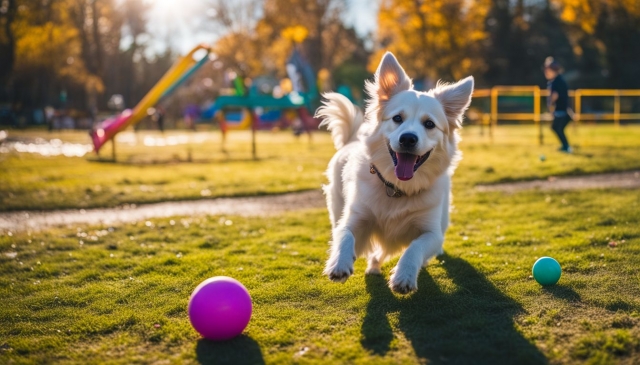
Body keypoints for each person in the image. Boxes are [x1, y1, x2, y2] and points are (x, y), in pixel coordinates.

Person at [543, 57, 572, 153]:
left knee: (556, 128)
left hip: (561, 111)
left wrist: (550, 107)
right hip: (564, 110)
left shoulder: (556, 82)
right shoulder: (560, 80)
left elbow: (555, 95)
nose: (546, 72)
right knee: (557, 128)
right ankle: (565, 146)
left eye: (547, 70)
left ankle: (566, 147)